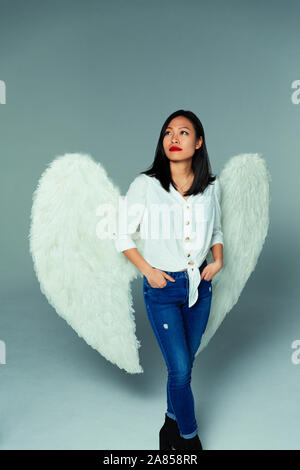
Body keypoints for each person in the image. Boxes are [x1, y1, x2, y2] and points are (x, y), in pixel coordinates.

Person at [114, 109, 224, 450]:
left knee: (184, 367)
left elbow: (217, 229)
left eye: (184, 132)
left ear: (199, 142)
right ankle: (190, 441)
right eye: (168, 132)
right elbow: (121, 234)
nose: (174, 138)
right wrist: (148, 271)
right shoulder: (146, 186)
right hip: (163, 290)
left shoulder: (211, 188)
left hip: (199, 288)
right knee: (179, 370)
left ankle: (169, 422)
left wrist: (218, 260)